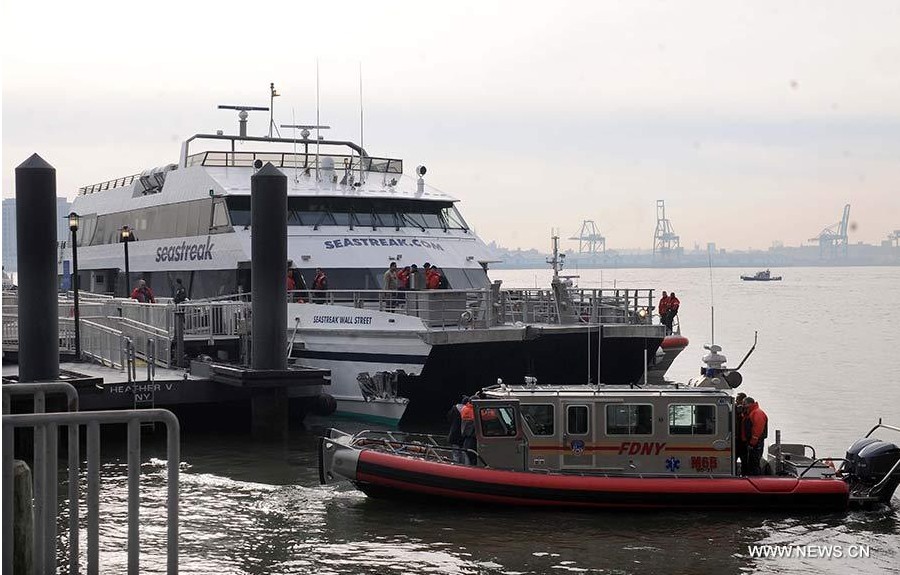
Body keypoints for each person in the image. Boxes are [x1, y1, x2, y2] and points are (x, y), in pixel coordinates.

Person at [742, 397, 768, 476]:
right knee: (750, 462)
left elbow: (757, 430)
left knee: (754, 463)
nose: (743, 406)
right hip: (752, 443)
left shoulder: (757, 413)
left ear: (750, 404)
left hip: (756, 443)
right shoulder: (751, 413)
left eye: (744, 404)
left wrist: (752, 443)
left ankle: (756, 479)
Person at [447, 396, 467, 463]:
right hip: (464, 434)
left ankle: (456, 466)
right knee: (464, 452)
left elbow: (449, 418)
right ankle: (464, 467)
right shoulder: (469, 410)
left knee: (456, 453)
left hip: (454, 433)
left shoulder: (454, 408)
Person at [459, 397, 477, 465]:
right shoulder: (472, 411)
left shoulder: (464, 409)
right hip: (472, 438)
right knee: (473, 459)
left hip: (467, 438)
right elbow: (487, 416)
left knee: (469, 457)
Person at [734, 392, 748, 474]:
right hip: (735, 439)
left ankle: (744, 474)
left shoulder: (748, 412)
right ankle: (735, 473)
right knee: (733, 459)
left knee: (745, 459)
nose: (736, 401)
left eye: (738, 399)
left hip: (743, 440)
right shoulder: (734, 410)